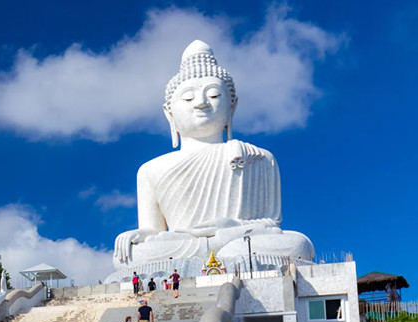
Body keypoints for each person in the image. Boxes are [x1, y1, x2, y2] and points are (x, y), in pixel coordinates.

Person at [113, 40, 314, 269]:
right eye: (188, 98)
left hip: (238, 240)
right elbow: (154, 230)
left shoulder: (259, 158)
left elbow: (271, 224)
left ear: (232, 107)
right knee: (132, 255)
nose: (201, 103)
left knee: (298, 244)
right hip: (182, 245)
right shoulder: (150, 170)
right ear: (169, 113)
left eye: (214, 96)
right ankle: (223, 253)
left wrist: (231, 229)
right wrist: (139, 235)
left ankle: (225, 251)